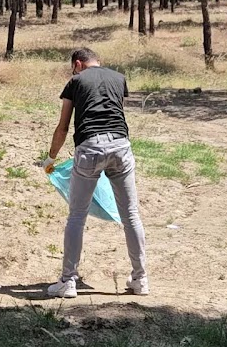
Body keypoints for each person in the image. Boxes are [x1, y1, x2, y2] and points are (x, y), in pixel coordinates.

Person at [41, 48, 148, 299]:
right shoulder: (119, 79)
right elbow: (116, 113)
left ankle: (68, 281)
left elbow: (64, 126)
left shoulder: (76, 81)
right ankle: (140, 279)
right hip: (121, 147)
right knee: (131, 214)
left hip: (90, 147)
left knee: (77, 215)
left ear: (78, 64)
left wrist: (51, 157)